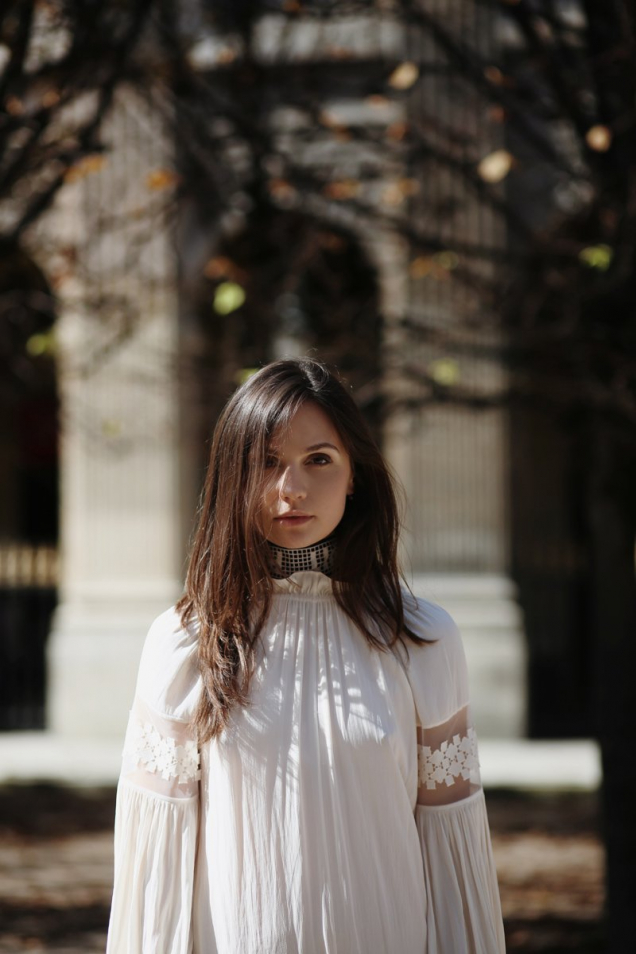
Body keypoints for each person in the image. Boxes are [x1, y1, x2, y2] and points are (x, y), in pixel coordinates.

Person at [106, 358, 506, 954]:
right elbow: (155, 872)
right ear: (234, 477)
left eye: (318, 460)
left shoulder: (422, 639)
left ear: (354, 475)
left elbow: (454, 858)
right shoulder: (187, 642)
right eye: (266, 462)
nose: (290, 489)